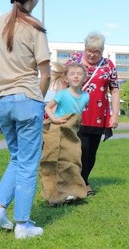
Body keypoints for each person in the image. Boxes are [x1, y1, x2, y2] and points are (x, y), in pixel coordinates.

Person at [0, 0, 51, 239]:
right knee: (28, 164)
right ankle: (22, 224)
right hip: (26, 97)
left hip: (1, 101)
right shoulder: (34, 26)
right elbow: (45, 74)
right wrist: (39, 101)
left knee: (17, 159)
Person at [65, 32, 120, 196]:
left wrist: (114, 114)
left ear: (102, 51)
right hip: (75, 113)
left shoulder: (108, 65)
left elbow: (115, 90)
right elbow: (63, 81)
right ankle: (76, 184)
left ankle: (84, 181)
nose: (91, 54)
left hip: (98, 116)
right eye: (88, 50)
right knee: (80, 149)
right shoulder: (74, 59)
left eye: (95, 51)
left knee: (91, 152)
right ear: (84, 48)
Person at [40, 62, 89, 205]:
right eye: (72, 74)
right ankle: (55, 194)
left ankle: (71, 191)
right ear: (66, 78)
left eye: (79, 74)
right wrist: (54, 119)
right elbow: (48, 107)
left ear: (84, 78)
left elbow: (78, 115)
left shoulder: (86, 97)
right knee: (56, 160)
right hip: (59, 130)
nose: (76, 76)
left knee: (73, 160)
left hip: (72, 133)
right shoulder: (62, 94)